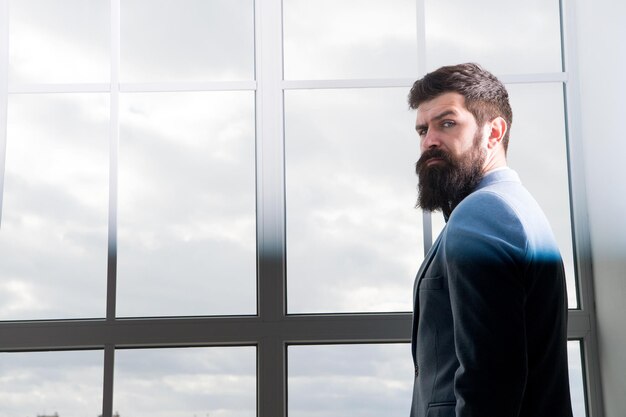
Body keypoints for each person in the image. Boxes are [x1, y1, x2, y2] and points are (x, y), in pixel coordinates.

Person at [408, 63, 573, 417]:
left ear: (494, 132)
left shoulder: (484, 213)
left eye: (447, 123)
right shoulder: (517, 208)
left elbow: (490, 377)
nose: (429, 141)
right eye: (423, 129)